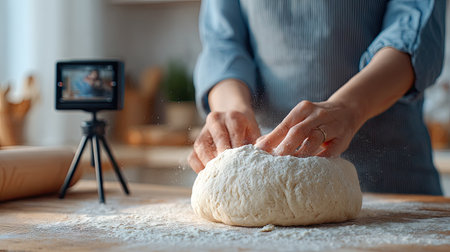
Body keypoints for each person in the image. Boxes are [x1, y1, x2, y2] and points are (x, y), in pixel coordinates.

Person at [190, 0, 445, 195]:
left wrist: (348, 107)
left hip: (393, 180)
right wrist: (232, 111)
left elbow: (413, 32)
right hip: (260, 174)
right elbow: (223, 43)